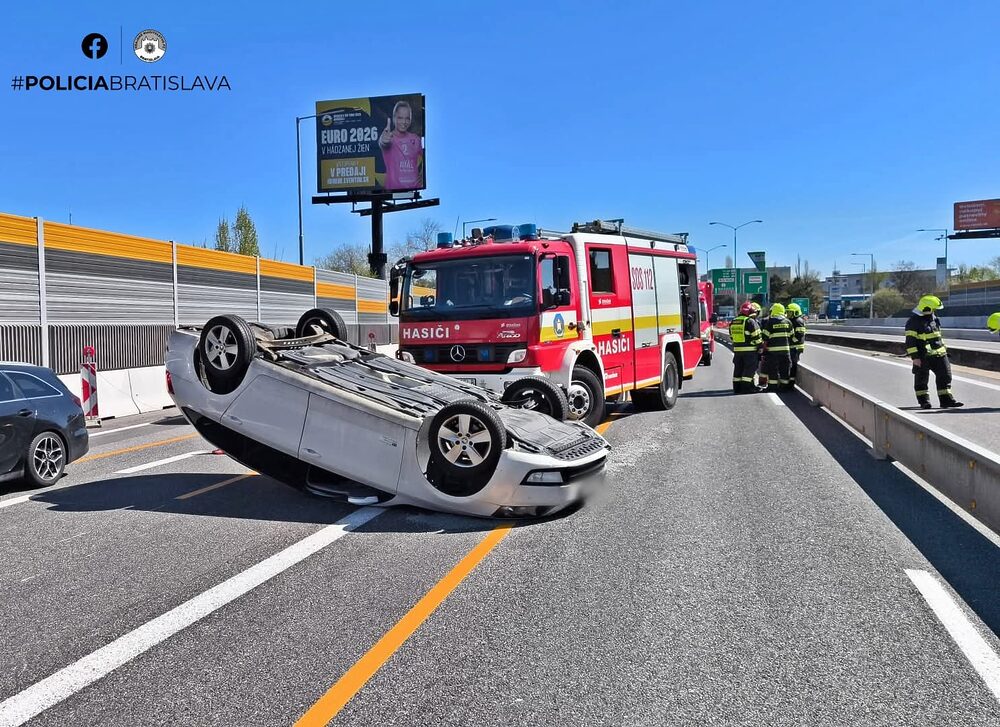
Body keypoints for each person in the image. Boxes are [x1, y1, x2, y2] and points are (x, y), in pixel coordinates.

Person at [905, 295, 963, 409]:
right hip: (923, 356)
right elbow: (910, 342)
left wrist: (944, 350)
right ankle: (924, 401)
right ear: (926, 308)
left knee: (945, 376)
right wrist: (915, 358)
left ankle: (946, 400)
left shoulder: (934, 318)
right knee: (921, 379)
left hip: (940, 354)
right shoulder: (913, 322)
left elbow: (938, 336)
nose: (934, 311)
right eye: (933, 308)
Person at [379, 100, 423, 191]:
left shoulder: (416, 139)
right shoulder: (389, 137)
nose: (404, 122)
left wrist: (423, 175)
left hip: (415, 188)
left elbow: (427, 158)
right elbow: (383, 143)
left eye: (407, 118)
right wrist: (383, 140)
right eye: (400, 118)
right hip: (392, 189)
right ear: (394, 117)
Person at [729, 301, 763, 393]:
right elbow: (757, 336)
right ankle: (746, 388)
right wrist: (760, 347)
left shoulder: (734, 321)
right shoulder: (750, 321)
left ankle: (737, 388)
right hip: (750, 351)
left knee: (738, 370)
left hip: (737, 351)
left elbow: (731, 336)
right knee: (749, 370)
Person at [761, 303, 794, 391]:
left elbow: (765, 336)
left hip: (773, 351)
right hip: (785, 351)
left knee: (773, 370)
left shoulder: (770, 322)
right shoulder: (788, 322)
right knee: (785, 369)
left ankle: (772, 387)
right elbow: (791, 336)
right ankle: (784, 387)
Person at [786, 302, 807, 387]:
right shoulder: (792, 320)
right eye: (787, 312)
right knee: (790, 364)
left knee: (793, 364)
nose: (788, 314)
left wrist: (791, 341)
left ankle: (791, 382)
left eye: (790, 312)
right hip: (792, 346)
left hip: (796, 347)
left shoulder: (798, 321)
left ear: (796, 312)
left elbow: (799, 335)